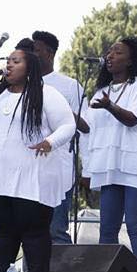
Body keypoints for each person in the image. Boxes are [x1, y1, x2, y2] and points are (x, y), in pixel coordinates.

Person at [0, 48, 76, 272]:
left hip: (32, 184)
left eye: (16, 61)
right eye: (8, 61)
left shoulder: (46, 93)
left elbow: (68, 125)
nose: (9, 65)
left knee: (34, 240)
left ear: (30, 68)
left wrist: (49, 142)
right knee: (3, 238)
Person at [81, 37, 137, 272]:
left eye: (117, 53)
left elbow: (133, 119)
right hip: (109, 166)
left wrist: (110, 107)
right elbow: (87, 127)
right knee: (107, 229)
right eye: (109, 52)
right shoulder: (101, 91)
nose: (110, 56)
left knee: (136, 227)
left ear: (131, 61)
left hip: (136, 165)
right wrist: (69, 114)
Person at [31, 30, 86, 245]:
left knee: (56, 230)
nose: (32, 54)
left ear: (50, 53)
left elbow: (86, 127)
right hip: (28, 170)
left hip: (59, 169)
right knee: (31, 232)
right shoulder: (21, 84)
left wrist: (61, 109)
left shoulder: (70, 86)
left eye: (37, 50)